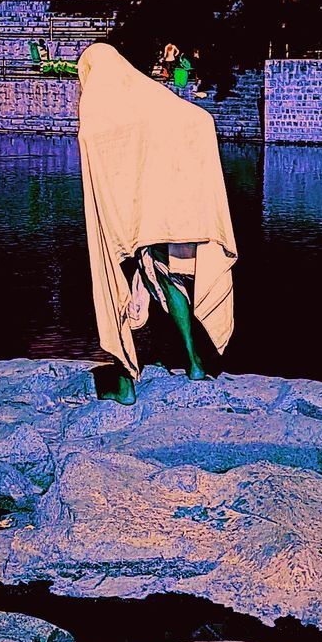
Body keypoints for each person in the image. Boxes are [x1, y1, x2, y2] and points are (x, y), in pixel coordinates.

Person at [77, 43, 238, 405]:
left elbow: (102, 169)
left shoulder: (99, 110)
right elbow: (199, 120)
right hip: (169, 213)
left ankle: (124, 381)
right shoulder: (151, 100)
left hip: (126, 221)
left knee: (112, 283)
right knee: (168, 277)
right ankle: (195, 363)